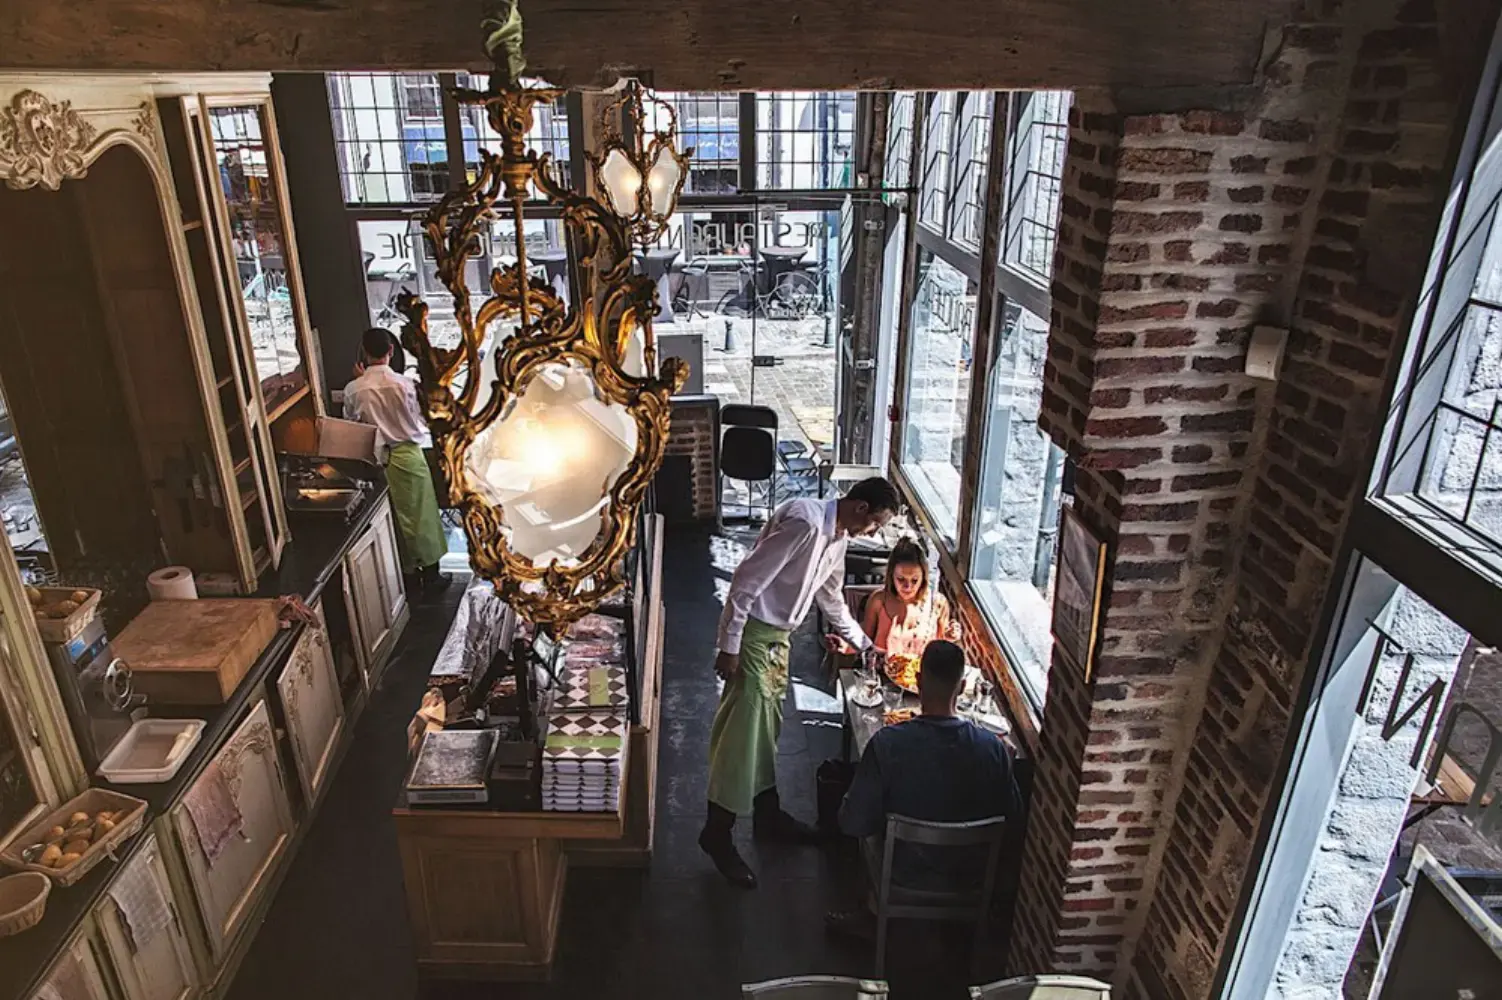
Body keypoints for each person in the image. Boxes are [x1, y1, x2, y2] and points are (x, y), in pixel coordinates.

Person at [700, 476, 902, 888]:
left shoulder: (838, 538)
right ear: (860, 507)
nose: (875, 533)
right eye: (877, 523)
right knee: (743, 735)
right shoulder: (806, 522)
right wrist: (730, 645)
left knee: (767, 730)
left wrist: (865, 645)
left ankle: (767, 813)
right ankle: (716, 834)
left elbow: (831, 600)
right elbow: (746, 580)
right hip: (756, 633)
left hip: (779, 638)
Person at [828, 639, 1021, 932]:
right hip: (969, 875)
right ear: (960, 687)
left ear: (918, 681)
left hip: (902, 873)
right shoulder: (993, 749)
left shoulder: (887, 744)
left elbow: (852, 823)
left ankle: (869, 916)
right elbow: (1014, 823)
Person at [344, 327, 449, 592]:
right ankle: (432, 576)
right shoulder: (406, 385)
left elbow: (352, 424)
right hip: (409, 455)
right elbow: (421, 420)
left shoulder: (355, 389)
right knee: (422, 515)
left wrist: (360, 381)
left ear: (365, 353)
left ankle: (407, 578)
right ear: (391, 351)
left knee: (393, 521)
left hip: (378, 461)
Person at [861, 536, 960, 657]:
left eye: (914, 580)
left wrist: (950, 637)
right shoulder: (878, 601)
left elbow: (941, 649)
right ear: (891, 576)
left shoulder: (938, 603)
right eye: (901, 579)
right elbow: (862, 644)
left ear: (923, 578)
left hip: (921, 674)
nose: (907, 587)